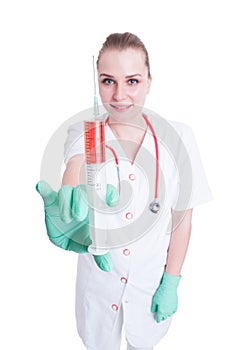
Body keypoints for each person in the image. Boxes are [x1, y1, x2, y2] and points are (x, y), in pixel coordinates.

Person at [36, 32, 212, 350]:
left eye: (131, 81)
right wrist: (69, 198)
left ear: (148, 81)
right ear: (97, 82)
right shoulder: (85, 132)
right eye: (108, 81)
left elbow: (182, 220)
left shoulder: (180, 137)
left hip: (149, 283)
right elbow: (75, 165)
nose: (119, 95)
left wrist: (171, 281)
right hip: (98, 285)